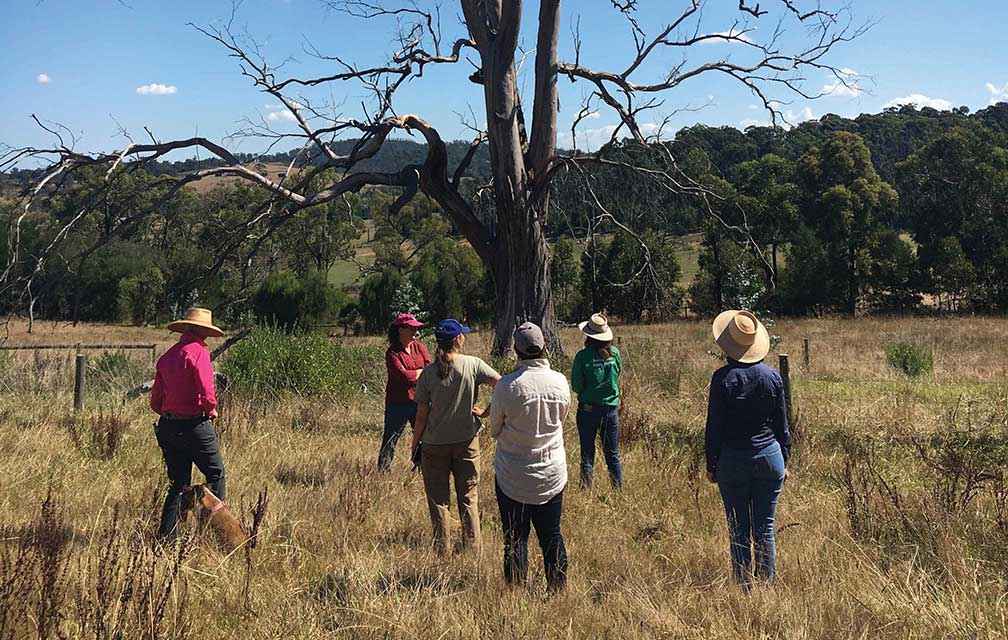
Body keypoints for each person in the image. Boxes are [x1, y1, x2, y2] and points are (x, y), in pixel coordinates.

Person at [705, 309, 791, 587]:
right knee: (764, 527)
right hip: (770, 456)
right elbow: (783, 427)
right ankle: (767, 586)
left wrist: (712, 463)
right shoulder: (773, 377)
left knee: (738, 528)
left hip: (733, 459)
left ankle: (744, 586)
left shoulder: (722, 380)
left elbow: (714, 427)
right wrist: (785, 461)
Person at [489, 322, 571, 591]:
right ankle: (557, 588)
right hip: (550, 473)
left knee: (515, 538)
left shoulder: (506, 387)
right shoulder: (560, 381)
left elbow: (494, 428)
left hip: (513, 475)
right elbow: (562, 417)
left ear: (516, 350)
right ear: (544, 346)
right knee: (552, 534)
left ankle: (515, 590)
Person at [411, 319, 500, 555]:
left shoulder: (428, 373)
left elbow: (421, 415)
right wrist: (487, 411)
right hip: (466, 441)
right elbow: (502, 385)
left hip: (433, 444)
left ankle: (443, 550)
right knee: (468, 497)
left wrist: (414, 445)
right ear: (458, 339)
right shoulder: (473, 364)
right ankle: (473, 550)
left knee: (438, 500)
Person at [150, 307, 226, 541]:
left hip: (168, 426)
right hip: (194, 425)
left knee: (178, 483)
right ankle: (214, 532)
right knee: (216, 474)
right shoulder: (199, 353)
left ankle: (167, 537)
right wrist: (210, 409)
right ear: (200, 331)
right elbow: (207, 391)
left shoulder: (167, 357)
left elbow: (155, 402)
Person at [571, 313, 623, 489]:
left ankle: (586, 489)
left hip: (588, 410)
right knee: (612, 453)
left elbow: (577, 386)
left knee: (587, 452)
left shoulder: (582, 356)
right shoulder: (614, 353)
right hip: (610, 410)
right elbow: (618, 373)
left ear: (589, 335)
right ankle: (617, 488)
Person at [378, 313, 432, 471]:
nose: (416, 331)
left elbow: (430, 370)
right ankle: (383, 471)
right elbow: (404, 377)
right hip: (398, 402)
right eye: (412, 328)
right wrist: (420, 372)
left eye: (417, 328)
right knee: (391, 438)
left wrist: (417, 373)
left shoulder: (419, 347)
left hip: (419, 400)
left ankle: (421, 466)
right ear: (401, 330)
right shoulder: (392, 353)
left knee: (423, 435)